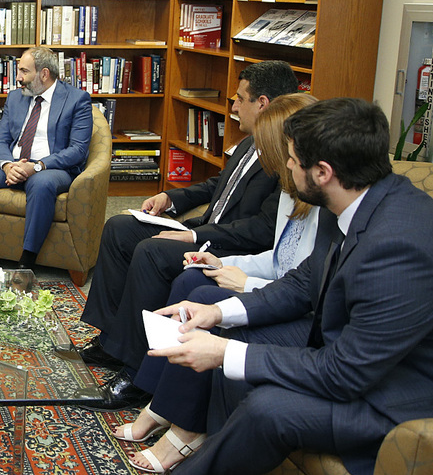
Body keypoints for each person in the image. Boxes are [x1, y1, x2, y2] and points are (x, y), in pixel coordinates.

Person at [103, 97, 433, 475]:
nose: (285, 169)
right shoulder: (359, 202)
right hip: (366, 354)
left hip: (412, 395)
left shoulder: (401, 247)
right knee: (234, 336)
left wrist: (224, 352)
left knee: (267, 405)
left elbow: (345, 373)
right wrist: (219, 312)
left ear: (323, 172)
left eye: (293, 161)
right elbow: (303, 282)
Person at [114, 93, 319, 474]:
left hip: (283, 301)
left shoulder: (320, 206)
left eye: (270, 148)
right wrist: (222, 263)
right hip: (263, 279)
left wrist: (246, 282)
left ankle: (178, 421)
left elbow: (301, 284)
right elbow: (278, 259)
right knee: (193, 277)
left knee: (200, 292)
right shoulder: (290, 194)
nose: (265, 155)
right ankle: (160, 401)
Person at [77, 60, 299, 409]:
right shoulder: (248, 142)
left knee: (151, 252)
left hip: (229, 246)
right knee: (120, 228)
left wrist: (194, 238)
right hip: (203, 228)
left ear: (263, 103)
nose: (233, 107)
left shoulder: (283, 158)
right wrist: (171, 198)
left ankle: (137, 372)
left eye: (240, 99)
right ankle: (111, 341)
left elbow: (262, 229)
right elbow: (218, 186)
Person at [0, 46, 93, 269]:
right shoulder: (15, 97)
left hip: (50, 169)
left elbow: (78, 150)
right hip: (14, 164)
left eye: (24, 71)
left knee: (41, 184)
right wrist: (8, 166)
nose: (18, 78)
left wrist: (37, 166)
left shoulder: (76, 100)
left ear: (44, 74)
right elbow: (0, 140)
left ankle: (27, 261)